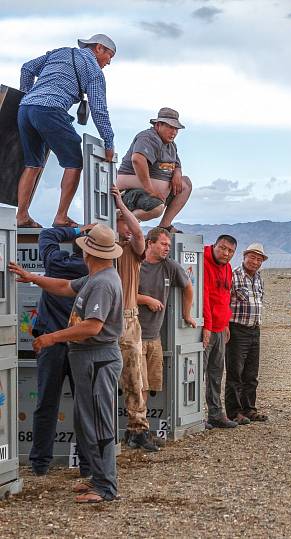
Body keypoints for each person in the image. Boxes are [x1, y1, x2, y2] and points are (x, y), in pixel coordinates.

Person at [9, 224, 123, 503]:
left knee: (98, 422)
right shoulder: (97, 277)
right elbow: (62, 286)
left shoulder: (102, 283)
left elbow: (92, 326)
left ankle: (105, 487)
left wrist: (51, 338)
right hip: (90, 358)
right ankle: (97, 478)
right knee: (88, 420)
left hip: (97, 358)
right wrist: (32, 277)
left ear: (89, 253)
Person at [16, 34, 116, 229]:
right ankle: (61, 217)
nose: (109, 62)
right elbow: (99, 110)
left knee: (32, 164)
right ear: (99, 48)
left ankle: (21, 215)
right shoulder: (94, 71)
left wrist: (27, 94)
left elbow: (27, 68)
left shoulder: (60, 52)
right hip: (50, 110)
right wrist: (109, 142)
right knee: (74, 162)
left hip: (25, 110)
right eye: (110, 56)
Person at [28, 225, 91, 477]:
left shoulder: (55, 263)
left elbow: (47, 235)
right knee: (85, 407)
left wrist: (77, 229)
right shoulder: (93, 272)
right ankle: (87, 465)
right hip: (82, 346)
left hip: (50, 344)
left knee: (46, 404)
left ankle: (39, 464)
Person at [110, 186, 158, 452]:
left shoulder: (131, 249)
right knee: (105, 377)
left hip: (127, 319)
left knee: (135, 376)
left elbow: (139, 234)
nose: (128, 226)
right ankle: (108, 433)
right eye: (121, 221)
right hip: (105, 319)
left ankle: (137, 429)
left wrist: (121, 204)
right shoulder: (101, 249)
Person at [137, 227, 196, 434]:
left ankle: (140, 428)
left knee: (151, 385)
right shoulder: (136, 264)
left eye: (169, 245)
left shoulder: (169, 266)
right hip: (134, 337)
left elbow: (188, 287)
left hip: (154, 337)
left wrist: (186, 315)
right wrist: (145, 299)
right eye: (163, 244)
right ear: (149, 243)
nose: (167, 248)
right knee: (139, 386)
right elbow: (122, 294)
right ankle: (138, 431)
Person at [116, 107, 192, 233]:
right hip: (130, 192)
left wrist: (177, 173)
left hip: (156, 194)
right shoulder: (148, 137)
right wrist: (150, 190)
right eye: (170, 127)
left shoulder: (171, 145)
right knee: (156, 208)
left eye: (176, 129)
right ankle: (122, 219)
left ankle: (164, 225)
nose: (174, 132)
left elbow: (177, 164)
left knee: (186, 184)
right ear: (158, 125)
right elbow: (138, 160)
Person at [225, 243, 268, 425]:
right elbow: (224, 301)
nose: (255, 262)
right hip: (237, 329)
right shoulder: (233, 276)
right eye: (252, 257)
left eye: (259, 259)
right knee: (235, 373)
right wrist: (225, 325)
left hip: (254, 330)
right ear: (244, 257)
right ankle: (233, 412)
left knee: (251, 374)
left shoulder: (258, 279)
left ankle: (249, 409)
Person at [203, 235, 238, 428]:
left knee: (216, 374)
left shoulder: (227, 268)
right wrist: (207, 326)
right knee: (197, 373)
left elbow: (225, 297)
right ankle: (194, 415)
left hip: (219, 327)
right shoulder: (203, 263)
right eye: (222, 248)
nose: (225, 253)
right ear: (214, 245)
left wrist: (225, 323)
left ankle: (215, 414)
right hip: (205, 329)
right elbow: (204, 296)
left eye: (230, 251)